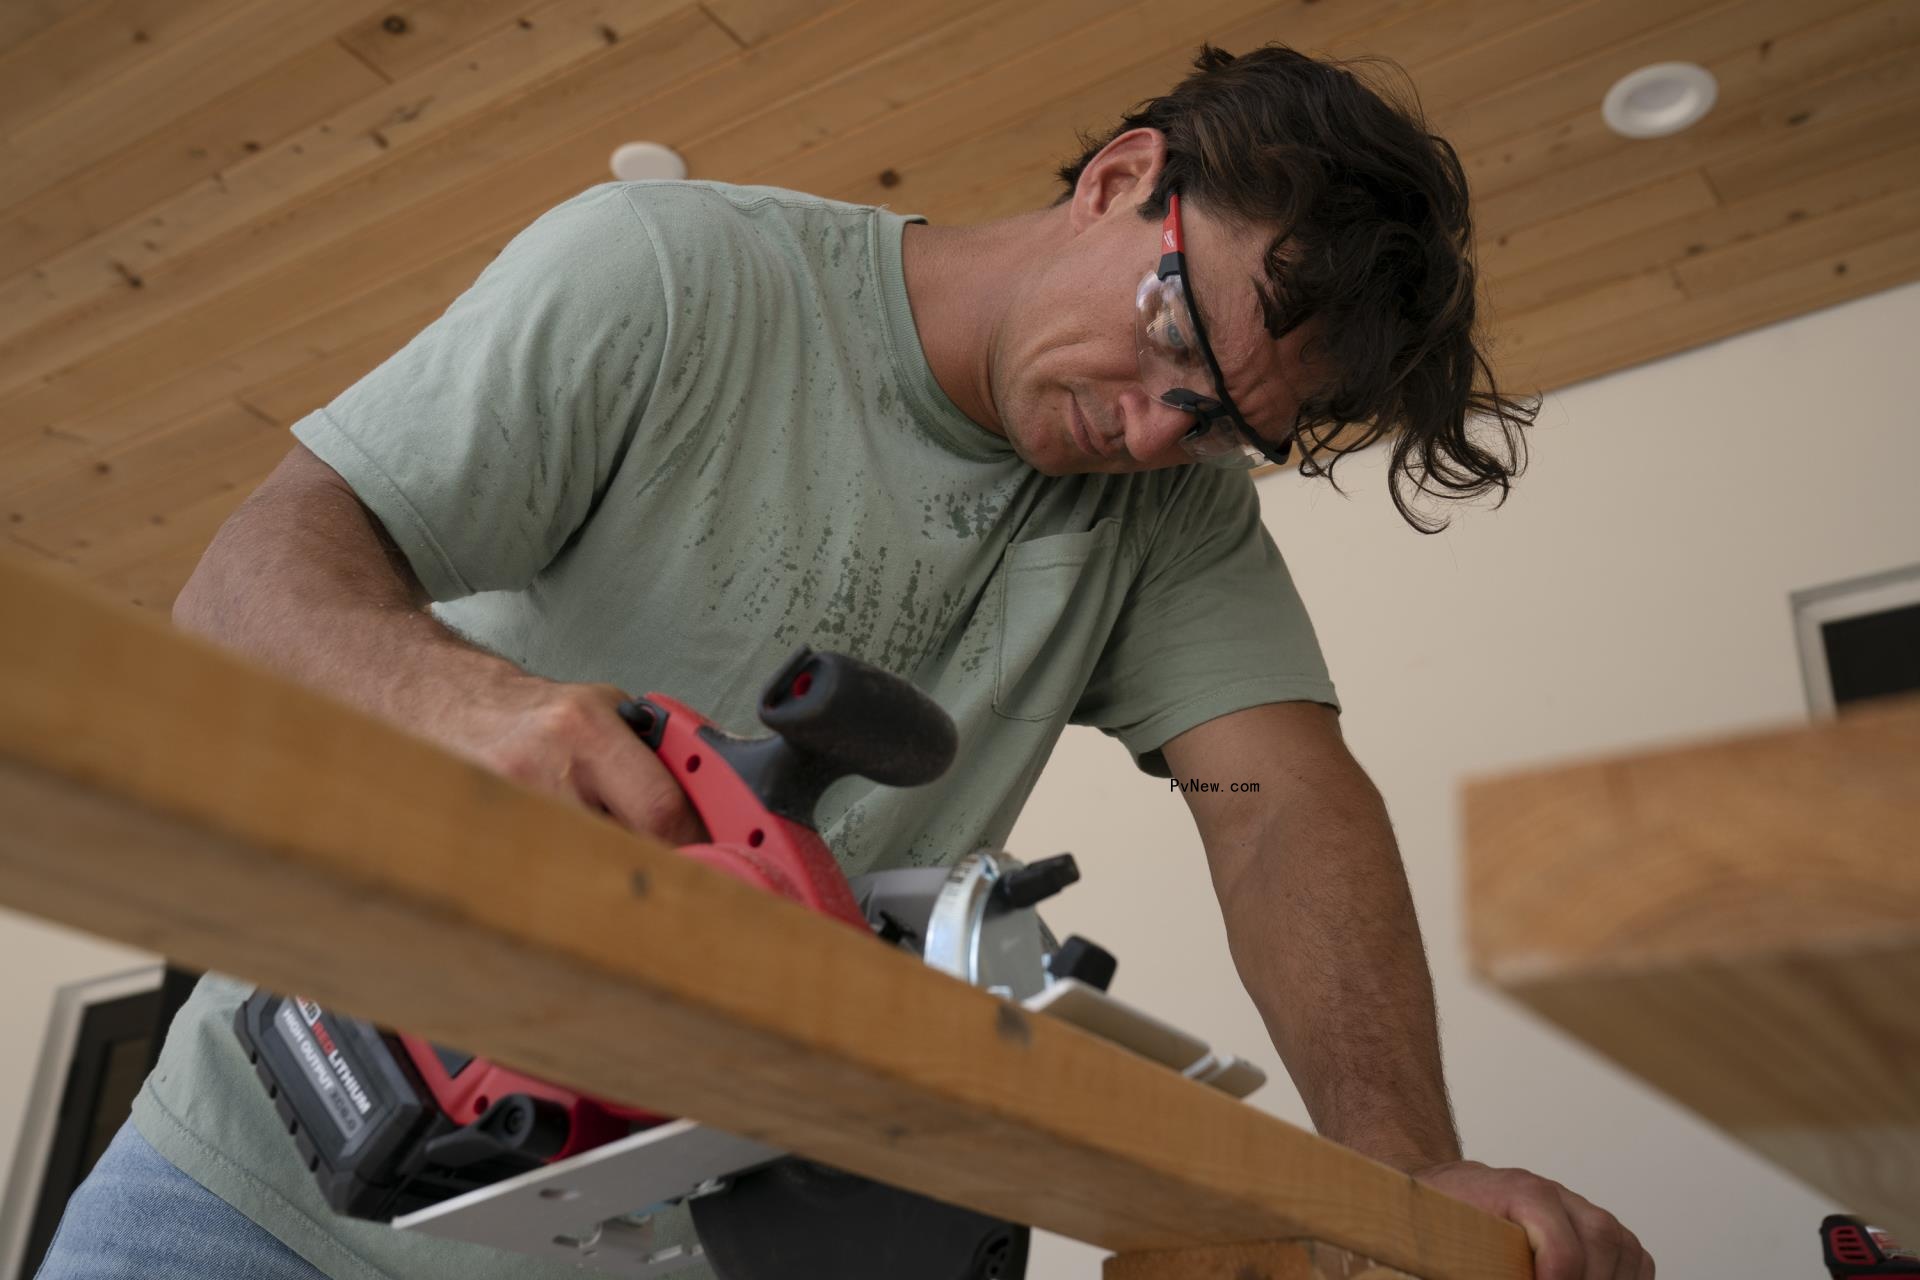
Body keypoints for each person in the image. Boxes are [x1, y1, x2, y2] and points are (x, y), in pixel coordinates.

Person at [36, 44, 1653, 1280]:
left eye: (1223, 424)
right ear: (1119, 178)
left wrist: (1399, 1170)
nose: (1156, 430)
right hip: (257, 1199)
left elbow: (1286, 806)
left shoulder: (1171, 513)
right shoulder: (673, 275)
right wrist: (466, 704)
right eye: (1173, 340)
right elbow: (250, 576)